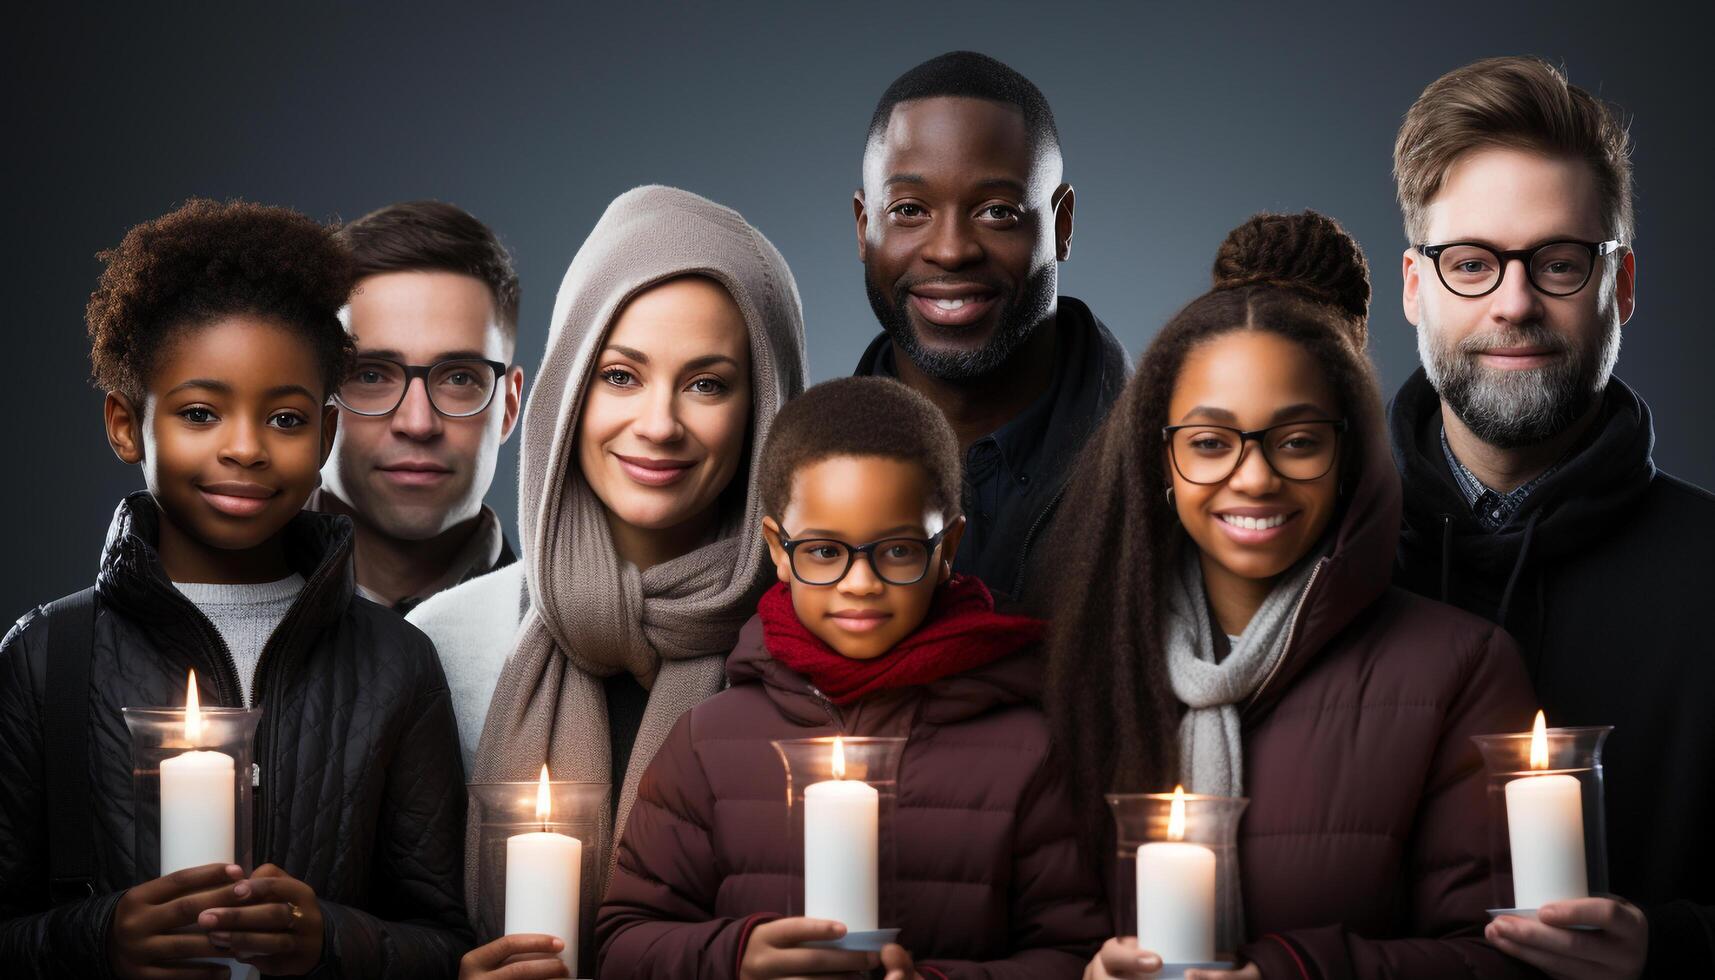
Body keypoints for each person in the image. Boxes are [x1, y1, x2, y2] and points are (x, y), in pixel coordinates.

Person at [1046, 212, 1537, 979]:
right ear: (1159, 461)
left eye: (1297, 440)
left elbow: (1506, 960)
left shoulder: (1460, 670)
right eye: (1210, 442)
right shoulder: (1078, 653)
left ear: (1347, 456)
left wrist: (1290, 974)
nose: (1253, 476)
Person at [0, 199, 470, 978]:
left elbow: (447, 941)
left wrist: (327, 938)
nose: (245, 447)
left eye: (284, 420)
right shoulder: (46, 657)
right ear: (125, 424)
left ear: (324, 435)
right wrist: (99, 936)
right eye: (199, 412)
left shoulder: (397, 665)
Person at [406, 185, 807, 979]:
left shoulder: (817, 647)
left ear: (763, 408)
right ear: (567, 393)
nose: (658, 424)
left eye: (706, 384)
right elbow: (403, 927)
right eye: (621, 376)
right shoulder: (443, 644)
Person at [598, 377, 1108, 979]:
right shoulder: (706, 742)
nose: (860, 583)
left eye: (896, 550)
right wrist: (737, 956)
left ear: (947, 549)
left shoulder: (1030, 748)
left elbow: (1078, 956)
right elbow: (622, 943)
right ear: (779, 551)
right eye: (823, 551)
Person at [1390, 57, 1715, 977]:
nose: (1514, 301)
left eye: (1558, 262)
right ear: (1416, 286)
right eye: (1470, 263)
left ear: (1620, 286)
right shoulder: (1325, 565)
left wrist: (1669, 949)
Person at [853, 50, 1128, 606]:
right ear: (864, 228)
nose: (951, 251)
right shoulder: (797, 482)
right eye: (909, 209)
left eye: (997, 211)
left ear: (1062, 226)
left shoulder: (1174, 466)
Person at [312, 200, 525, 613]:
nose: (417, 422)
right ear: (314, 396)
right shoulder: (187, 610)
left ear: (510, 405)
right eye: (371, 375)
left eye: (459, 378)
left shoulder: (581, 645)